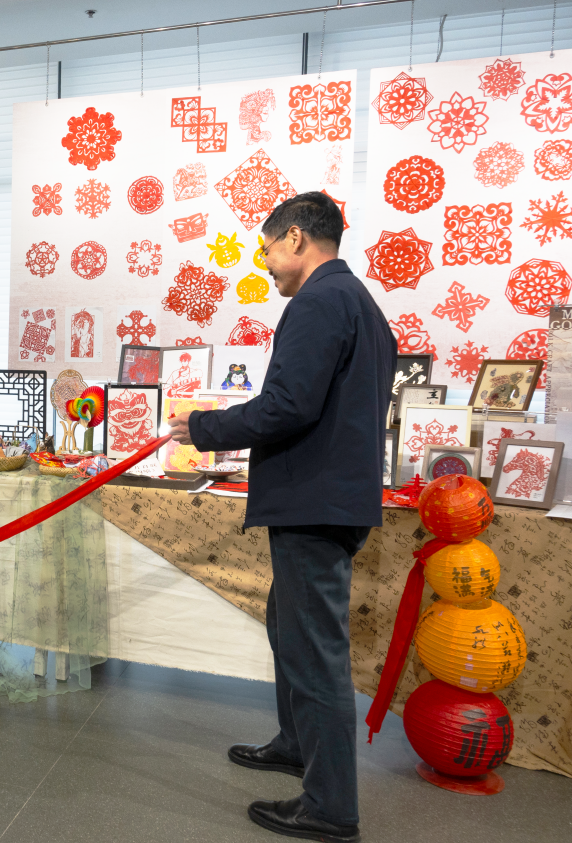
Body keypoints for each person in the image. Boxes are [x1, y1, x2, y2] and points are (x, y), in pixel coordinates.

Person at [169, 192, 395, 843]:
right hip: (331, 499)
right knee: (287, 627)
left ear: (295, 238)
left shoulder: (319, 302)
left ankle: (330, 806)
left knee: (316, 652)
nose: (265, 263)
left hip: (314, 503)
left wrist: (203, 426)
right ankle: (297, 744)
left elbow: (288, 405)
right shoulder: (359, 303)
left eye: (266, 248)